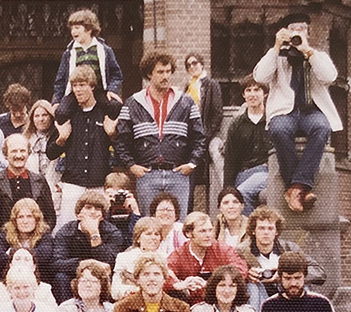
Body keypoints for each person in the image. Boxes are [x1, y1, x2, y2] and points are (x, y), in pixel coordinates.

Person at [253, 13, 341, 212]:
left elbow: (330, 77)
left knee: (322, 127)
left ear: (308, 33)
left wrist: (308, 52)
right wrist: (276, 48)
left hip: (311, 111)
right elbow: (260, 76)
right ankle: (302, 188)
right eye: (294, 29)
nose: (298, 33)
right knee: (278, 129)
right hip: (285, 112)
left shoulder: (317, 56)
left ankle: (294, 188)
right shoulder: (278, 56)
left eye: (302, 29)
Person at [117, 50, 205, 218]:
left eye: (168, 71)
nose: (166, 76)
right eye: (160, 72)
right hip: (147, 175)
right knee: (149, 224)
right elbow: (122, 141)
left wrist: (192, 164)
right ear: (149, 74)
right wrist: (131, 166)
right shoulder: (133, 103)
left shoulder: (186, 102)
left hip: (178, 174)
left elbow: (199, 138)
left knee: (178, 224)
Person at [239, 206, 326, 310]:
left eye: (270, 228)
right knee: (253, 288)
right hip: (259, 295)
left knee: (302, 285)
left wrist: (285, 274)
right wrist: (246, 275)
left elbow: (320, 273)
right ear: (253, 231)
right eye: (261, 228)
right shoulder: (242, 252)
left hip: (287, 293)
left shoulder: (290, 248)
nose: (266, 232)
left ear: (276, 232)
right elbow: (230, 275)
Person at [47, 66, 117, 194]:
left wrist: (113, 136)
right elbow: (50, 153)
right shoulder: (68, 115)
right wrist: (61, 140)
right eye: (74, 86)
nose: (78, 90)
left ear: (92, 87)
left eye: (82, 85)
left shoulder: (104, 114)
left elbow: (122, 154)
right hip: (72, 184)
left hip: (99, 184)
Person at [51, 190, 125, 303]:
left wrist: (94, 233)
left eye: (97, 209)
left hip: (100, 278)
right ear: (79, 212)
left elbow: (110, 263)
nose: (93, 212)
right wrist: (85, 263)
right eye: (88, 207)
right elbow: (56, 263)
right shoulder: (66, 231)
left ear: (102, 214)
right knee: (60, 277)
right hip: (75, 276)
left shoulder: (112, 232)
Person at [51, 9, 124, 124]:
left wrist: (111, 90)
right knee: (61, 113)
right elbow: (60, 79)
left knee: (115, 107)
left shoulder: (104, 50)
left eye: (77, 28)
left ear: (89, 29)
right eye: (71, 28)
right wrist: (57, 100)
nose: (73, 31)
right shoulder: (69, 53)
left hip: (98, 91)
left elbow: (116, 74)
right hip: (77, 92)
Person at [166, 212, 250, 305]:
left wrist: (212, 283)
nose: (208, 235)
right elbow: (163, 272)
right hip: (189, 306)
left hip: (219, 303)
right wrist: (180, 284)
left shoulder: (221, 248)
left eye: (210, 230)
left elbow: (240, 269)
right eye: (202, 231)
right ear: (188, 233)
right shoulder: (179, 254)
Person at [0, 134, 57, 236]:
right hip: (4, 241)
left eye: (22, 151)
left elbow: (50, 217)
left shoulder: (40, 181)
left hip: (35, 241)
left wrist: (38, 236)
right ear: (5, 154)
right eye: (14, 151)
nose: (18, 155)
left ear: (28, 153)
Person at [222, 76, 273, 216]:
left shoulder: (273, 121)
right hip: (243, 174)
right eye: (248, 90)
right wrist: (227, 191)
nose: (252, 94)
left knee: (242, 194)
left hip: (266, 172)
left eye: (257, 90)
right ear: (244, 95)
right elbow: (230, 161)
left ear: (265, 93)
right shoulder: (236, 125)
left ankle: (249, 231)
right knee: (234, 198)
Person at [184, 53, 223, 214]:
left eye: (195, 63)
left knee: (205, 179)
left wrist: (205, 136)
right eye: (188, 65)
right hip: (188, 137)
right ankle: (188, 213)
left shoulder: (210, 84)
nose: (192, 67)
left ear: (202, 64)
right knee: (188, 178)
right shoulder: (188, 86)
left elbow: (217, 112)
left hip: (203, 137)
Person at [0, 198, 55, 283]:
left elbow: (44, 256)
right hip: (8, 283)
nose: (25, 221)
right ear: (15, 220)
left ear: (36, 219)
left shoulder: (45, 236)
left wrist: (11, 253)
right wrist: (27, 258)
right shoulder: (5, 235)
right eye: (21, 217)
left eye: (29, 216)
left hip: (36, 284)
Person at [111, 217, 167, 300]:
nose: (153, 237)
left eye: (156, 234)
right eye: (148, 234)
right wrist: (135, 290)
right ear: (138, 238)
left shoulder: (164, 258)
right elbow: (115, 290)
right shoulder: (124, 257)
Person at [0, 247, 57, 311]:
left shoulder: (44, 290)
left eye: (27, 259)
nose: (22, 262)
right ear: (10, 265)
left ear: (34, 267)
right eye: (17, 259)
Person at [23, 100, 62, 190]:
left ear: (51, 117)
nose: (41, 119)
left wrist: (61, 185)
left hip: (54, 187)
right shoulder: (25, 139)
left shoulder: (59, 137)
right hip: (32, 188)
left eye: (45, 115)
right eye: (37, 116)